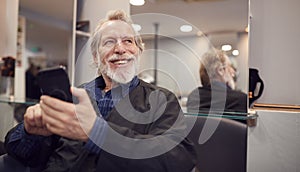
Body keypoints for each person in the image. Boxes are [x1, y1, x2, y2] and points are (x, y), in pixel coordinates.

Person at [2, 10, 197, 172]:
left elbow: (178, 159)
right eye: (109, 42)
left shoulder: (161, 100)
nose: (120, 49)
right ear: (96, 57)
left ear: (139, 50)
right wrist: (31, 132)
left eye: (128, 41)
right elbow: (20, 152)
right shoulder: (74, 97)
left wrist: (98, 133)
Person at [186, 49, 247, 117]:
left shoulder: (194, 97)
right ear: (220, 70)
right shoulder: (241, 99)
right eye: (230, 66)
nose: (233, 72)